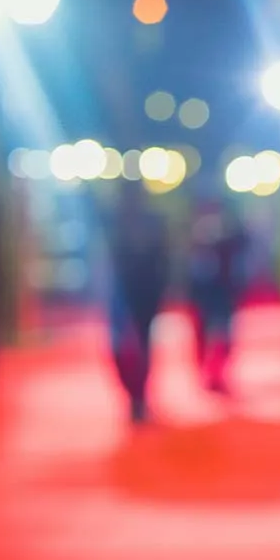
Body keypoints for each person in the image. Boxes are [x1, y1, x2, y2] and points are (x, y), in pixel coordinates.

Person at [103, 181, 170, 423]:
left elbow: (164, 257)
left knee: (142, 345)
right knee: (120, 348)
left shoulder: (154, 222)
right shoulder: (113, 221)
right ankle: (132, 393)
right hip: (121, 295)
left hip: (146, 295)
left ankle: (140, 396)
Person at [186, 198, 249, 394]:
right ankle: (206, 370)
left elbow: (242, 245)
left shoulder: (229, 232)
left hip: (223, 291)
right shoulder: (193, 234)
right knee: (204, 334)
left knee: (224, 333)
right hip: (203, 293)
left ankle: (219, 371)